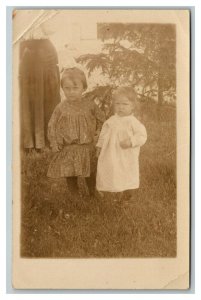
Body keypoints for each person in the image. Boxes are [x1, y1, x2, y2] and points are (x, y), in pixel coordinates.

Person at [47, 67, 105, 197]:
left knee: (89, 171)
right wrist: (54, 142)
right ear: (62, 88)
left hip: (87, 146)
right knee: (70, 172)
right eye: (67, 89)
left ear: (84, 88)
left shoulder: (90, 105)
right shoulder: (61, 107)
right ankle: (74, 194)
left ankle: (93, 191)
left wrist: (99, 134)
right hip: (68, 147)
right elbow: (52, 125)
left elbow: (102, 119)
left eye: (75, 88)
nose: (71, 92)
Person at [96, 86, 147, 200]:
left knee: (127, 171)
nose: (120, 107)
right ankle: (113, 192)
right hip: (110, 153)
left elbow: (142, 136)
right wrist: (99, 147)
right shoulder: (111, 120)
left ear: (133, 106)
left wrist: (131, 141)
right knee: (112, 170)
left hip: (126, 154)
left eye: (125, 104)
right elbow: (103, 134)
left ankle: (127, 195)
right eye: (117, 104)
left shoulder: (133, 122)